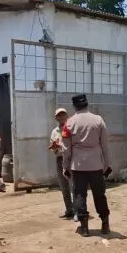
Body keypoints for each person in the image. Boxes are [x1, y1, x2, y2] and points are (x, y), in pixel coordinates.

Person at [62, 94, 112, 237]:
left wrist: (65, 166)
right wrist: (107, 164)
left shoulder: (69, 123)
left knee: (79, 195)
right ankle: (105, 224)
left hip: (78, 166)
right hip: (96, 165)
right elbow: (105, 146)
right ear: (87, 104)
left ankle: (84, 228)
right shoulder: (98, 120)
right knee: (99, 195)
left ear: (74, 106)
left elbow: (66, 149)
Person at [49, 108, 74, 220]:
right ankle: (69, 209)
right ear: (56, 118)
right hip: (60, 159)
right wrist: (54, 147)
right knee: (64, 187)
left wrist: (63, 146)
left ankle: (77, 210)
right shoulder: (55, 132)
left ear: (67, 116)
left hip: (71, 159)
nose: (61, 117)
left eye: (63, 114)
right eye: (59, 115)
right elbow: (53, 148)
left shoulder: (71, 129)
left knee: (73, 185)